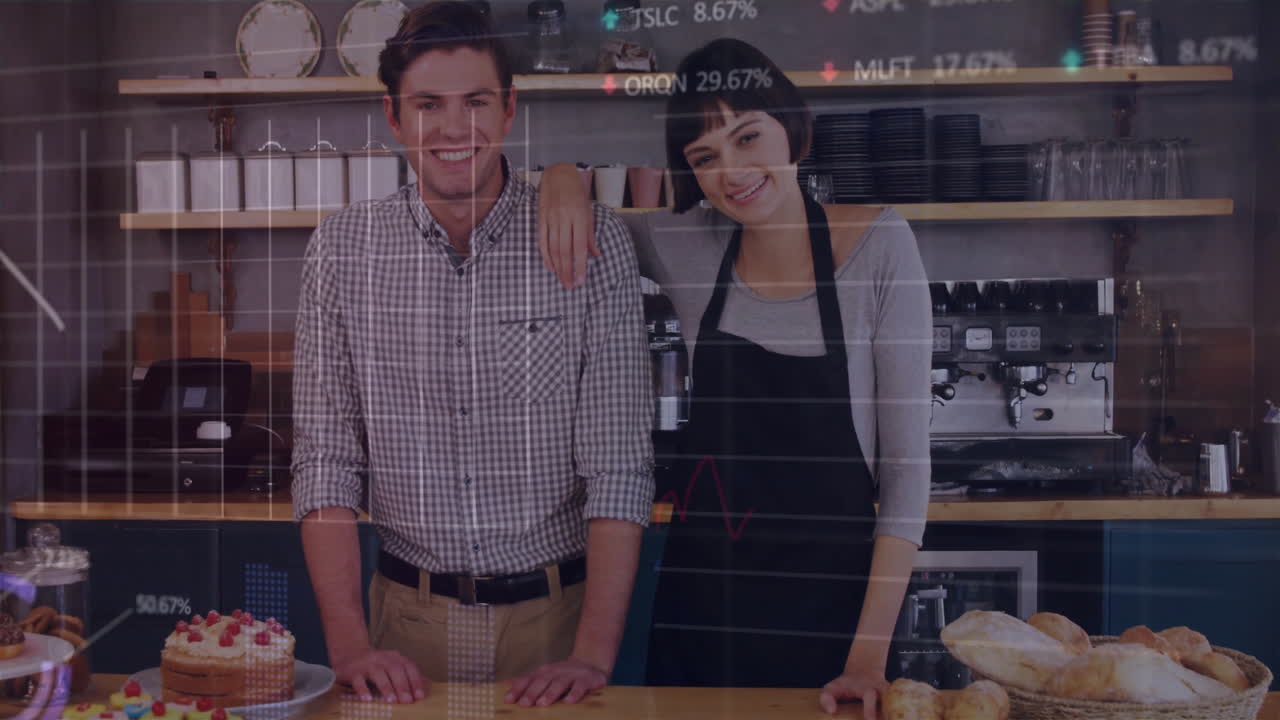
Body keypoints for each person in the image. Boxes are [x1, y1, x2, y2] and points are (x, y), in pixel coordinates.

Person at [537, 38, 932, 719]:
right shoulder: (684, 244)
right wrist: (560, 175)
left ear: (792, 127)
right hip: (703, 613)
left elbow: (905, 476)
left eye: (748, 137)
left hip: (835, 623)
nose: (733, 172)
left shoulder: (881, 246)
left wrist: (866, 657)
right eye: (705, 158)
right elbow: (586, 221)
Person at [291, 1, 654, 709]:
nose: (456, 129)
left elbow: (618, 467)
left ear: (510, 109)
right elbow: (326, 461)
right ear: (394, 119)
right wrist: (349, 646)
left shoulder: (593, 243)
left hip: (557, 624)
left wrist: (592, 655)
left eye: (477, 102)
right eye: (428, 105)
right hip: (402, 625)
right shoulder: (340, 252)